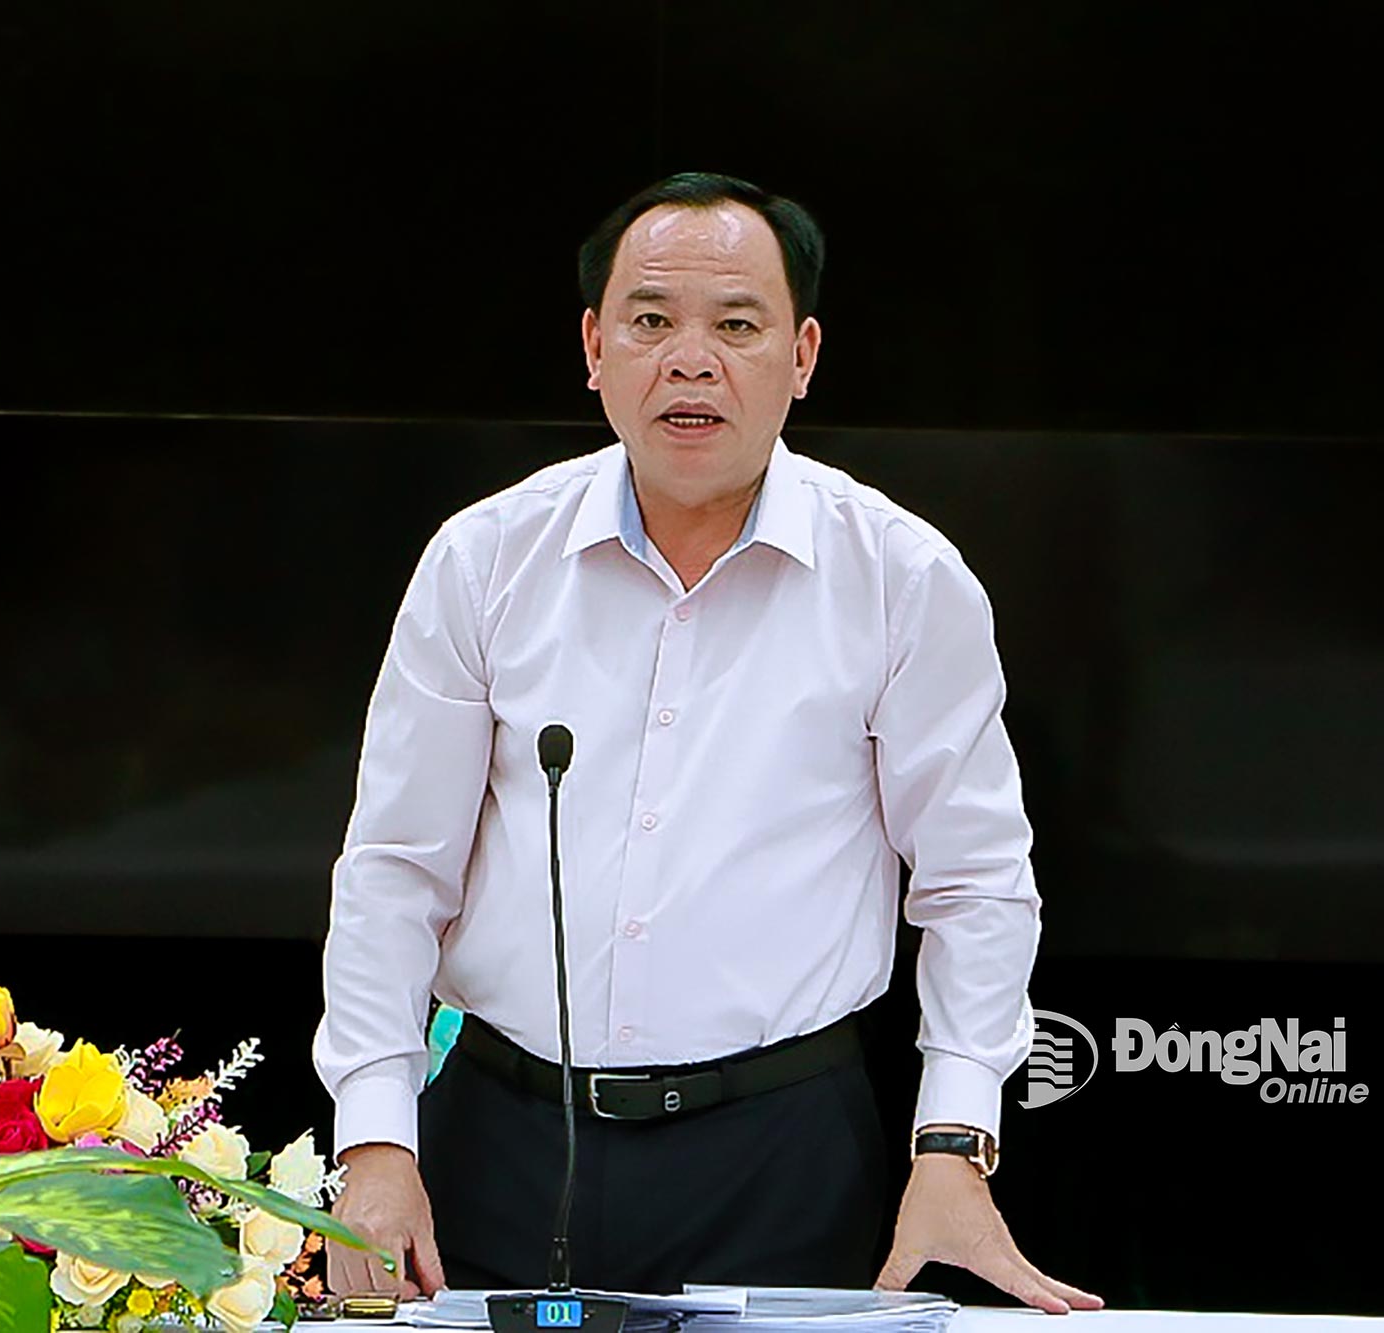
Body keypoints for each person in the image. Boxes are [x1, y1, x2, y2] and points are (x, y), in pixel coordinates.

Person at [313, 172, 1101, 1312]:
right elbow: (393, 871)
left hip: (776, 1153)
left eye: (736, 324)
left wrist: (953, 1141)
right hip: (498, 1137)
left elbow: (975, 882)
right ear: (592, 346)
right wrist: (375, 1141)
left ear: (804, 354)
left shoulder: (899, 577)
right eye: (649, 320)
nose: (690, 360)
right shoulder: (484, 560)